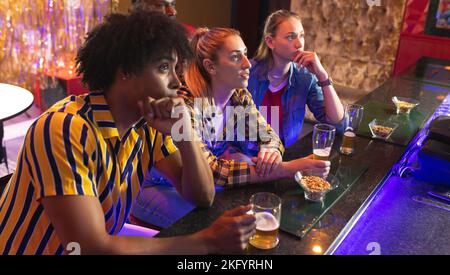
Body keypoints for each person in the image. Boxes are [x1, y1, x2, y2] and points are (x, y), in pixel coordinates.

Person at [0, 11, 256, 255]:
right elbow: (90, 248)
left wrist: (186, 134)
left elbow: (202, 196)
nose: (177, 82)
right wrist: (207, 241)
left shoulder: (148, 125)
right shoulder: (64, 128)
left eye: (176, 68)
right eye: (164, 68)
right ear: (124, 71)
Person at [131, 27, 331, 228]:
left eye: (245, 54)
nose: (247, 64)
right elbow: (213, 171)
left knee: (245, 210)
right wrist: (289, 168)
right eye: (236, 57)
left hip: (198, 186)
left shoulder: (237, 96)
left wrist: (271, 151)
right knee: (212, 224)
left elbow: (269, 136)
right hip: (153, 185)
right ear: (211, 67)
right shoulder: (186, 103)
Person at [248, 10, 344, 148]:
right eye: (290, 37)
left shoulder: (304, 77)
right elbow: (234, 134)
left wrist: (322, 76)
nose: (299, 44)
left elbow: (336, 123)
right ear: (270, 41)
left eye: (301, 36)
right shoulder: (247, 74)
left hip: (285, 157)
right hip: (250, 158)